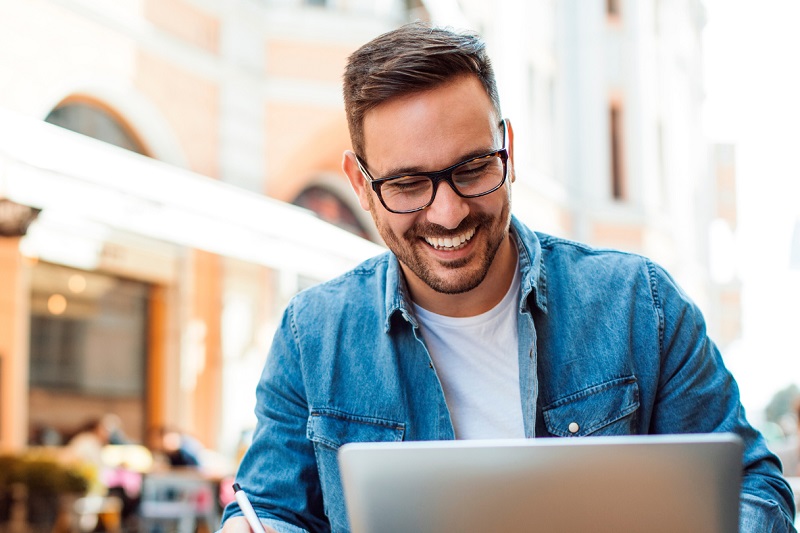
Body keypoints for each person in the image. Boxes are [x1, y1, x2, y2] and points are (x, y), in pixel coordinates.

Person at [221, 22, 797, 532]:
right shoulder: (312, 335)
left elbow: (756, 492)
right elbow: (271, 509)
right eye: (407, 185)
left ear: (509, 150)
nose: (448, 213)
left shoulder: (638, 306)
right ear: (360, 184)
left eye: (473, 168)